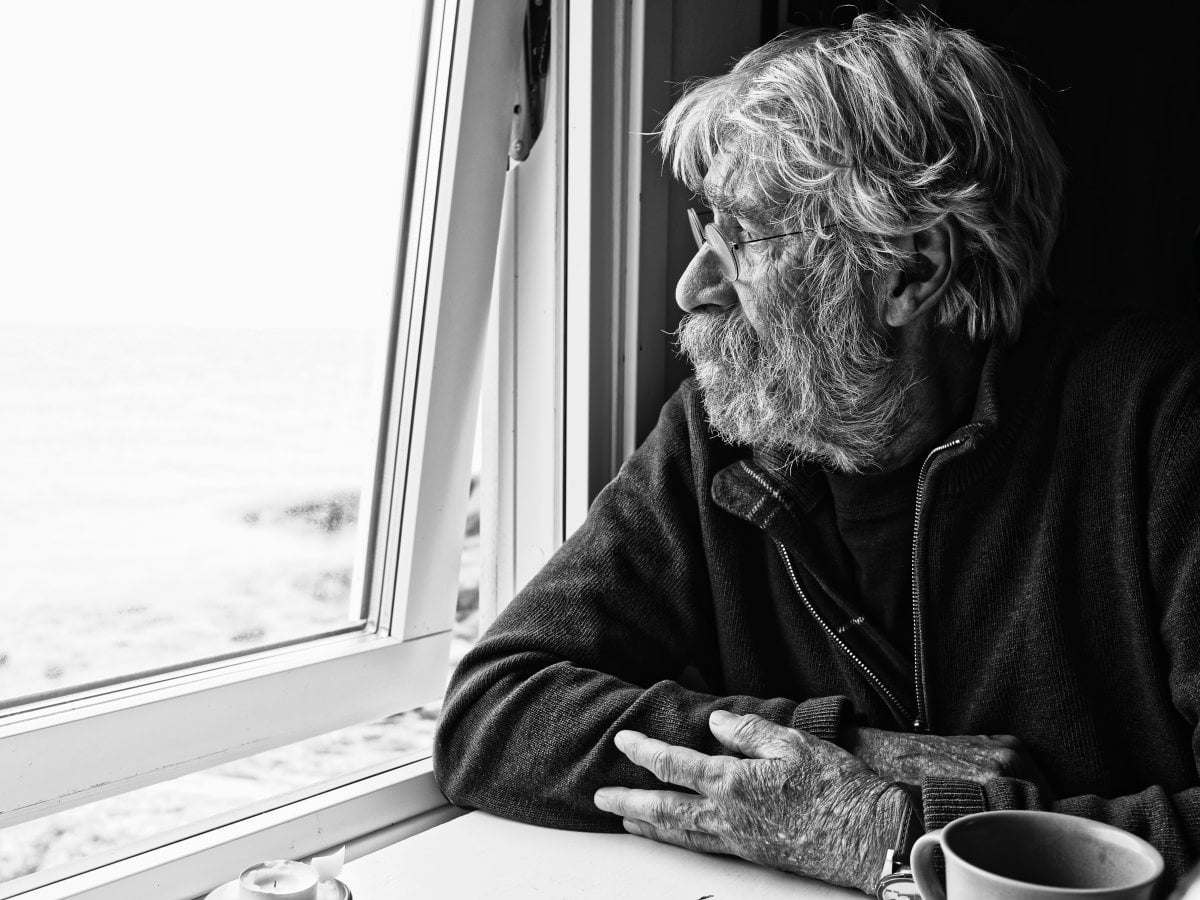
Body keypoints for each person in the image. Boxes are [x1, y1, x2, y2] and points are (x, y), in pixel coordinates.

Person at [434, 14, 1200, 896]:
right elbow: (494, 713)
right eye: (704, 229)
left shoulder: (1166, 423)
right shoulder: (722, 431)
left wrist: (903, 826)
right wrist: (831, 752)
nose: (694, 287)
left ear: (911, 272)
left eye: (742, 238)